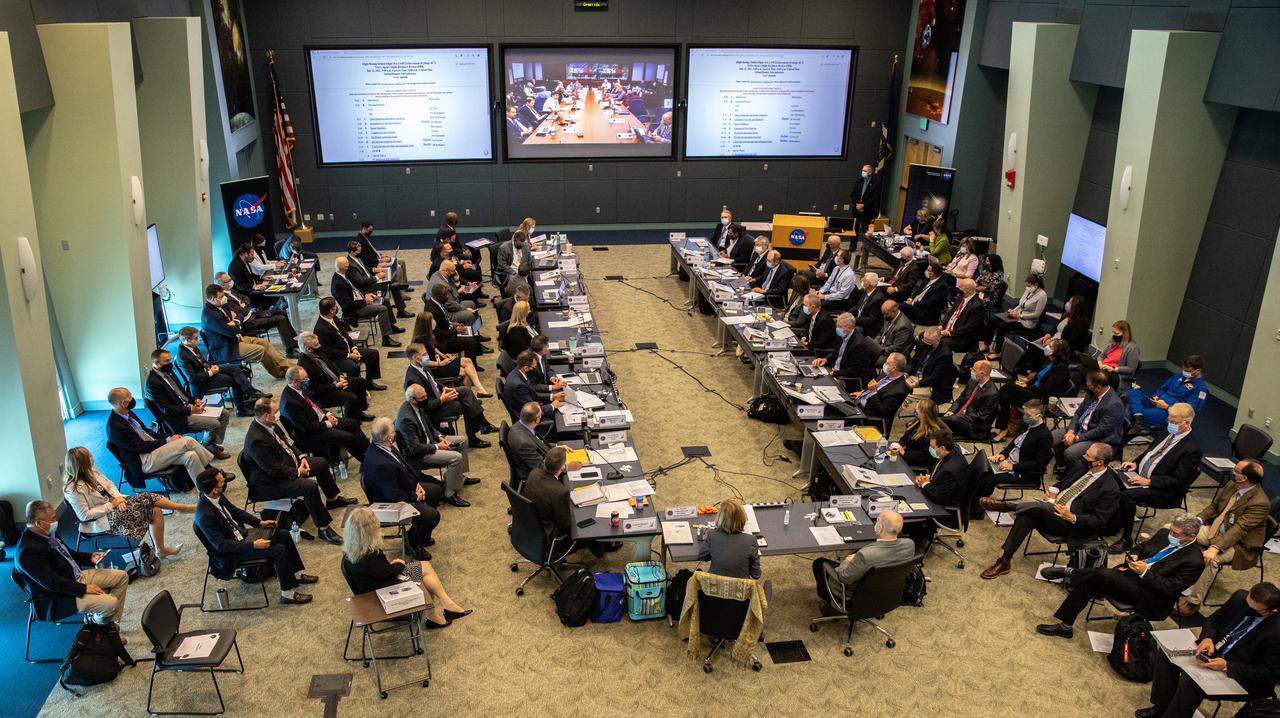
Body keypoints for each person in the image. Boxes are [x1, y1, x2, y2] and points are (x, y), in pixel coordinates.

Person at [1035, 514, 1206, 639]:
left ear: (1191, 536)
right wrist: (1134, 555)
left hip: (1149, 594)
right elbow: (1139, 548)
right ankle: (1065, 626)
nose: (1171, 536)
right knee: (1091, 581)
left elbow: (1171, 589)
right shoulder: (1164, 534)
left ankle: (1069, 572)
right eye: (1172, 531)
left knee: (1102, 574)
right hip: (1129, 575)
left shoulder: (1194, 560)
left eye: (1176, 535)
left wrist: (1144, 573)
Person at [979, 442, 1121, 579]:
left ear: (1099, 462)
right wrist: (1055, 491)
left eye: (1088, 455)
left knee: (1040, 508)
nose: (1084, 455)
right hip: (1052, 509)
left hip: (1072, 525)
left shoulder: (1110, 489)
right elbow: (1064, 483)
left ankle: (1008, 507)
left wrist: (1072, 517)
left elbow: (1099, 521)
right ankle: (1005, 561)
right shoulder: (1082, 466)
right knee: (1027, 515)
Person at [1137, 582, 1280, 718]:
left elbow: (1269, 674)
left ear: (1272, 610)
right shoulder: (1241, 597)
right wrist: (1208, 638)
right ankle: (1162, 707)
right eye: (1247, 603)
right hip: (1214, 653)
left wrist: (1227, 666)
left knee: (1190, 681)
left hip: (1241, 675)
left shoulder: (1276, 632)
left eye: (1253, 609)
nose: (1247, 608)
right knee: (1167, 653)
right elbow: (1213, 620)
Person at [194, 468, 317, 604]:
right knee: (278, 550)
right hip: (233, 552)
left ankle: (296, 574)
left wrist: (259, 522)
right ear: (214, 490)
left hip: (241, 536)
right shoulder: (205, 515)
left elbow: (236, 512)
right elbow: (221, 546)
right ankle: (287, 594)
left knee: (283, 534)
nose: (224, 483)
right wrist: (253, 544)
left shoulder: (216, 496)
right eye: (222, 483)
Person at [241, 398, 351, 545]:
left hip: (289, 463)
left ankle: (332, 499)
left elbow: (288, 442)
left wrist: (302, 456)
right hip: (270, 482)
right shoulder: (256, 440)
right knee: (309, 487)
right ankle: (323, 528)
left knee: (321, 463)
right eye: (275, 412)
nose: (279, 413)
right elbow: (273, 469)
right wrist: (298, 472)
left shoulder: (270, 424)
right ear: (266, 416)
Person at [341, 507, 470, 628]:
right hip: (379, 592)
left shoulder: (355, 549)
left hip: (377, 581)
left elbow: (379, 571)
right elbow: (384, 572)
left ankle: (444, 608)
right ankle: (439, 612)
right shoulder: (369, 555)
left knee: (425, 566)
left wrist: (393, 565)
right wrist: (398, 564)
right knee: (423, 577)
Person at [1177, 460, 1271, 617]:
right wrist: (1197, 521)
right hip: (1215, 531)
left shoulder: (1260, 503)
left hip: (1238, 544)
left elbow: (1239, 529)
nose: (1233, 472)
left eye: (1236, 471)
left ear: (1244, 478)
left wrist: (1214, 548)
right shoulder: (1232, 485)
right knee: (1176, 529)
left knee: (1211, 561)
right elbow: (1214, 507)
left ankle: (1192, 603)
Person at [63, 447, 194, 559]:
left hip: (116, 503)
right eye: (89, 456)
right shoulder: (73, 489)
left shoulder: (91, 469)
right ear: (81, 464)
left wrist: (118, 498)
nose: (92, 457)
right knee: (147, 499)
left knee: (155, 510)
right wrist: (112, 505)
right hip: (101, 518)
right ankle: (182, 508)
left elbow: (109, 484)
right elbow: (84, 515)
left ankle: (160, 549)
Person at [16, 500, 129, 625]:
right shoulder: (28, 552)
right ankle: (100, 626)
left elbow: (67, 554)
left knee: (122, 577)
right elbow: (52, 583)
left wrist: (89, 558)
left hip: (74, 577)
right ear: (38, 523)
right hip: (60, 595)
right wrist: (83, 588)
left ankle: (105, 627)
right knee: (111, 603)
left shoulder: (46, 532)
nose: (56, 521)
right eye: (53, 519)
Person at [1111, 403, 1204, 552]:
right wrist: (1136, 463)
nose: (1170, 424)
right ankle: (1111, 522)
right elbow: (1150, 452)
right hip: (1141, 476)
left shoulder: (1192, 450)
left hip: (1162, 489)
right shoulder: (1166, 432)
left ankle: (1126, 539)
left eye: (1174, 422)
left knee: (1128, 496)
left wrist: (1149, 481)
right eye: (1169, 420)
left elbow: (1178, 481)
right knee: (1112, 476)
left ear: (1186, 423)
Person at [361, 418, 445, 556]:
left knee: (436, 491)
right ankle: (413, 544)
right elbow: (392, 495)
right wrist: (415, 496)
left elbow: (403, 466)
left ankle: (418, 535)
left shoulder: (382, 445)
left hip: (401, 486)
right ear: (388, 437)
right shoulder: (380, 464)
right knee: (432, 516)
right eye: (393, 431)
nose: (395, 433)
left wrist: (416, 484)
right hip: (389, 503)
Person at [105, 387, 220, 482]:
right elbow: (140, 448)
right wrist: (167, 441)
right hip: (143, 460)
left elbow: (148, 432)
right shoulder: (115, 427)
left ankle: (206, 487)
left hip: (152, 449)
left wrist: (168, 438)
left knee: (190, 456)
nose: (133, 399)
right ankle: (214, 473)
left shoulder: (127, 413)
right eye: (130, 397)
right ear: (123, 403)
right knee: (188, 441)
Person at [523, 447, 620, 557]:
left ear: (545, 460)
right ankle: (601, 548)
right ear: (562, 465)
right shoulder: (559, 492)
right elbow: (565, 524)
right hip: (553, 537)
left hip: (534, 525)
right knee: (589, 517)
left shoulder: (534, 473)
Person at [813, 510, 913, 608]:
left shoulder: (866, 555)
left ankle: (832, 606)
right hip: (887, 591)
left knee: (819, 563)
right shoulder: (909, 544)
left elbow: (844, 578)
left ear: (880, 528)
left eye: (877, 522)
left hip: (856, 596)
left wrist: (848, 561)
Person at [405, 343, 496, 448]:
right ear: (416, 358)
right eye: (425, 354)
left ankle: (484, 424)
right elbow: (423, 406)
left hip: (440, 395)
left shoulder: (421, 366)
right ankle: (474, 437)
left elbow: (433, 381)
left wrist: (444, 388)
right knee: (468, 405)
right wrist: (442, 399)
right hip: (435, 409)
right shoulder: (412, 379)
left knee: (466, 391)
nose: (428, 356)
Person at [396, 387, 474, 507]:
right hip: (419, 455)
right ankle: (449, 494)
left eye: (426, 396)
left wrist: (439, 436)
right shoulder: (406, 419)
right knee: (456, 457)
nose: (426, 399)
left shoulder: (417, 406)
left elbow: (429, 427)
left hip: (430, 441)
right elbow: (415, 448)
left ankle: (459, 477)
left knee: (462, 440)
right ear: (413, 400)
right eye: (423, 398)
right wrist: (437, 446)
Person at [144, 348, 231, 456]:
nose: (170, 363)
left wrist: (194, 400)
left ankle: (210, 445)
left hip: (186, 406)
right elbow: (166, 409)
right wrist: (190, 410)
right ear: (156, 363)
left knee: (225, 414)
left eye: (170, 360)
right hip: (178, 417)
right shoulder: (152, 383)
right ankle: (209, 447)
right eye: (166, 361)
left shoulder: (167, 371)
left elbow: (181, 391)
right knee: (214, 424)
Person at [280, 366, 370, 462]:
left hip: (320, 419)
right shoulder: (289, 404)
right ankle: (366, 461)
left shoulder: (299, 387)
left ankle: (369, 451)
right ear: (295, 382)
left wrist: (327, 414)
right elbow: (307, 427)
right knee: (348, 437)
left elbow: (314, 403)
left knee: (352, 424)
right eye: (305, 379)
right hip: (310, 434)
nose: (308, 380)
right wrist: (328, 423)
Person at [973, 400, 1055, 504]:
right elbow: (1014, 443)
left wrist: (1012, 467)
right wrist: (1003, 454)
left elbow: (1040, 464)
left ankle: (977, 508)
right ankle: (973, 501)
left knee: (986, 479)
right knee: (980, 468)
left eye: (1028, 414)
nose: (1025, 416)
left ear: (1039, 416)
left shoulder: (1044, 436)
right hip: (1008, 462)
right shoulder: (1027, 425)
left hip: (1024, 473)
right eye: (1024, 413)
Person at [202, 283, 292, 377]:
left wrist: (234, 322)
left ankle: (290, 367)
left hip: (236, 339)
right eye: (221, 296)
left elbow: (240, 313)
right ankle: (279, 373)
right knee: (261, 350)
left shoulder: (222, 305)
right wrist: (236, 323)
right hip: (227, 348)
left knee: (265, 343)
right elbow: (231, 331)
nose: (224, 297)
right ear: (212, 299)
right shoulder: (210, 316)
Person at [992, 339, 1073, 440]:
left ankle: (988, 403)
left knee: (1009, 386)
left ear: (1057, 352)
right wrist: (1025, 384)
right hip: (1033, 392)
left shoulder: (1062, 368)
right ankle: (1003, 430)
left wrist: (1025, 387)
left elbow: (1046, 389)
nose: (1047, 347)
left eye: (1051, 346)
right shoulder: (1049, 362)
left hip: (1042, 399)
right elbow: (1036, 378)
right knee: (1005, 397)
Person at [176, 326, 263, 417]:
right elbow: (192, 378)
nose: (199, 340)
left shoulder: (191, 347)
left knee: (235, 368)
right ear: (187, 340)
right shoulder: (182, 355)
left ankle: (251, 392)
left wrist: (211, 366)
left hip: (208, 371)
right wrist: (211, 372)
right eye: (196, 338)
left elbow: (203, 361)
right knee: (236, 381)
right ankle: (241, 410)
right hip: (202, 382)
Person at [1053, 370, 1126, 469]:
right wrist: (1071, 431)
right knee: (1050, 437)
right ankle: (1063, 465)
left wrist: (1076, 438)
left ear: (1098, 387)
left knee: (1070, 453)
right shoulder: (1091, 393)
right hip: (1081, 428)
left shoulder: (1114, 404)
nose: (1087, 387)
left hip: (1098, 438)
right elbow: (1078, 413)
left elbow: (1101, 430)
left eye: (1090, 385)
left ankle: (1078, 473)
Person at [215, 271, 300, 356]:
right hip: (247, 323)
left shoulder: (231, 291)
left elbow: (246, 298)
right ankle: (290, 350)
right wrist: (244, 306)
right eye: (228, 280)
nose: (231, 281)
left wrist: (244, 305)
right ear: (222, 284)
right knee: (281, 319)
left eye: (230, 279)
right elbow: (242, 312)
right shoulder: (224, 299)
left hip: (252, 314)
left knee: (281, 312)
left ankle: (294, 342)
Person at [411, 312, 491, 397]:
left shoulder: (427, 336)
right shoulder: (419, 342)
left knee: (468, 369)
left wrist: (443, 355)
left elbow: (433, 348)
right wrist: (440, 363)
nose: (434, 321)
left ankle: (470, 395)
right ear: (426, 324)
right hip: (435, 369)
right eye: (432, 320)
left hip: (439, 362)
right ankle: (476, 392)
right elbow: (424, 362)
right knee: (468, 365)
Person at [297, 331, 372, 421]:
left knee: (360, 382)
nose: (320, 345)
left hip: (335, 381)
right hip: (324, 394)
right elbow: (315, 390)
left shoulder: (316, 353)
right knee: (351, 399)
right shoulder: (304, 366)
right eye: (317, 345)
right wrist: (335, 386)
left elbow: (332, 365)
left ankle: (358, 412)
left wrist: (340, 375)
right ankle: (351, 421)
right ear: (309, 349)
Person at [331, 256, 401, 347]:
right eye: (346, 266)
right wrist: (364, 301)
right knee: (383, 309)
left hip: (360, 301)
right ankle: (386, 339)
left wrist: (365, 295)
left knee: (385, 301)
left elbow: (354, 290)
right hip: (356, 310)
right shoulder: (338, 284)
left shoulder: (342, 275)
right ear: (341, 268)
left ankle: (391, 326)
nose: (348, 268)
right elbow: (348, 305)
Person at [313, 297, 385, 386]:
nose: (336, 308)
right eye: (335, 306)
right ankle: (354, 388)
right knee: (353, 367)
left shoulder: (333, 318)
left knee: (373, 354)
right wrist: (349, 355)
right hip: (337, 358)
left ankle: (369, 383)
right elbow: (329, 352)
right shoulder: (320, 329)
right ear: (331, 310)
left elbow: (345, 334)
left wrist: (353, 348)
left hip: (348, 349)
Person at [1127, 355, 1209, 430]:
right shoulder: (1179, 376)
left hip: (1168, 413)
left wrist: (1167, 407)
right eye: (1184, 369)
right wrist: (1156, 396)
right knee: (1133, 392)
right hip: (1156, 403)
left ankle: (1138, 417)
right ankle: (1138, 417)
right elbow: (1163, 388)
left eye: (1188, 371)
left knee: (1131, 414)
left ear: (1198, 370)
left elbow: (1190, 411)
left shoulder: (1200, 389)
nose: (1185, 372)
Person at [697, 498, 762, 580]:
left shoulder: (712, 535)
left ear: (719, 518)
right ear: (742, 518)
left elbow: (702, 557)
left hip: (714, 590)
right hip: (741, 591)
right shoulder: (751, 540)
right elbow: (756, 575)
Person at [345, 241, 410, 318]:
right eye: (358, 250)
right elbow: (361, 281)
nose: (360, 251)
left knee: (389, 279)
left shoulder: (356, 258)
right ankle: (401, 309)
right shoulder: (350, 264)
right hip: (367, 287)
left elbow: (365, 269)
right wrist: (377, 277)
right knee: (392, 285)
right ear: (353, 251)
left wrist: (375, 270)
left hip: (371, 280)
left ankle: (398, 289)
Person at [810, 312, 875, 389]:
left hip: (846, 378)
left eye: (839, 326)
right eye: (837, 325)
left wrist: (833, 373)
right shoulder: (843, 335)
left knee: (815, 384)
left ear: (848, 327)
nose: (837, 328)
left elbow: (853, 371)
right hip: (835, 370)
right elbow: (836, 353)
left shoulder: (858, 345)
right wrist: (825, 359)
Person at [941, 360, 1000, 439]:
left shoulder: (992, 394)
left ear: (982, 374)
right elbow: (960, 399)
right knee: (939, 417)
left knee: (948, 420)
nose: (971, 371)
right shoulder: (972, 381)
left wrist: (959, 417)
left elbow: (980, 416)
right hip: (961, 416)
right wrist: (951, 411)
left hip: (975, 427)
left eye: (974, 370)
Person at [914, 429, 971, 507]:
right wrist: (927, 479)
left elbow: (937, 497)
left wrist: (924, 484)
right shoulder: (953, 451)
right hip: (942, 488)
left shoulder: (949, 471)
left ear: (943, 448)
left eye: (932, 447)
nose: (930, 449)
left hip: (946, 502)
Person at [989, 273, 1047, 351]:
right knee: (993, 319)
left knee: (1001, 327)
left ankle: (997, 351)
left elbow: (1037, 315)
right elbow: (1021, 304)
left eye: (1029, 285)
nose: (1027, 287)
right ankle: (986, 344)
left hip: (1027, 322)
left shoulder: (1042, 296)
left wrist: (1020, 316)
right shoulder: (1029, 290)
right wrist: (1014, 310)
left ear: (1036, 284)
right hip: (1017, 316)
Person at [852, 353, 910, 430]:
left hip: (867, 416)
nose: (884, 364)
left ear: (894, 368)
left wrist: (873, 392)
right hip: (859, 401)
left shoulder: (899, 390)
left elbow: (882, 411)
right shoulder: (887, 374)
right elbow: (873, 385)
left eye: (887, 363)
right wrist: (862, 392)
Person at [425, 283, 482, 360]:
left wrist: (452, 324)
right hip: (443, 342)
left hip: (448, 331)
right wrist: (455, 330)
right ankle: (471, 366)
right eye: (445, 295)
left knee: (471, 332)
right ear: (438, 296)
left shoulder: (436, 303)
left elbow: (443, 322)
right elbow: (437, 334)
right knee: (471, 342)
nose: (447, 297)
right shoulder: (433, 311)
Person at [504, 350, 565, 418]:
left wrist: (553, 396)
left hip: (532, 404)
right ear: (526, 368)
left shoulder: (518, 372)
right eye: (533, 368)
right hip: (528, 417)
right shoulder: (518, 385)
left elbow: (532, 393)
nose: (535, 369)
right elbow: (531, 411)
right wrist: (552, 406)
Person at [507, 402, 558, 483]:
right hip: (535, 475)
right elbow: (542, 468)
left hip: (543, 457)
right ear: (537, 419)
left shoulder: (522, 425)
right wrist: (565, 467)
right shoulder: (524, 444)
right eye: (540, 416)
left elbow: (539, 443)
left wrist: (557, 447)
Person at [906, 327, 958, 405]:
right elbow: (913, 361)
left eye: (929, 342)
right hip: (915, 376)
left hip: (931, 386)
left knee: (905, 397)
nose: (925, 343)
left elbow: (934, 378)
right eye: (924, 340)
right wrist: (906, 374)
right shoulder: (923, 343)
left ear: (938, 340)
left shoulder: (945, 355)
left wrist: (917, 384)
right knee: (893, 386)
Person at [939, 278, 986, 353]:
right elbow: (950, 313)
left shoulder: (978, 306)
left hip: (963, 338)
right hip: (948, 329)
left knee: (940, 342)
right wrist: (941, 325)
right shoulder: (961, 298)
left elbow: (969, 328)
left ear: (968, 290)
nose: (958, 289)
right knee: (925, 335)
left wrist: (950, 333)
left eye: (961, 288)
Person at [427, 259, 479, 326]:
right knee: (469, 315)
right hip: (446, 312)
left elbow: (454, 295)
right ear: (446, 271)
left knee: (471, 304)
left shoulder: (439, 274)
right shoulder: (442, 284)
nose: (455, 273)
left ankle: (476, 330)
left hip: (450, 303)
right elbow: (450, 305)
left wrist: (457, 281)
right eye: (453, 271)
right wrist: (465, 309)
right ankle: (471, 334)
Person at [898, 259, 948, 327]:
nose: (926, 272)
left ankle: (902, 327)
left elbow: (929, 303)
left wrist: (913, 303)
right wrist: (911, 298)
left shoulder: (941, 287)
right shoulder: (928, 279)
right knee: (899, 301)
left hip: (926, 312)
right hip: (917, 303)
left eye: (928, 270)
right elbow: (918, 290)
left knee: (899, 306)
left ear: (933, 273)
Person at [897, 399, 945, 468]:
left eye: (917, 410)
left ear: (924, 414)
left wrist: (905, 453)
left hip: (915, 463)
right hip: (905, 453)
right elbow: (905, 436)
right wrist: (900, 445)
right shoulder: (918, 422)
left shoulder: (930, 433)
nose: (915, 411)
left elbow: (925, 456)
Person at [1099, 319, 1141, 389]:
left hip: (1116, 374)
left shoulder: (1132, 348)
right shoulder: (1113, 343)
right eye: (1113, 333)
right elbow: (1101, 355)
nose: (1114, 335)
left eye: (1116, 334)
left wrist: (1113, 369)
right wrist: (1100, 364)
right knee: (1079, 370)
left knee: (1096, 378)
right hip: (1104, 368)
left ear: (1125, 334)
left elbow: (1131, 369)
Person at [851, 164, 883, 233]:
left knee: (865, 230)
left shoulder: (876, 182)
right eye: (862, 170)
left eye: (865, 171)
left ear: (870, 172)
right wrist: (857, 204)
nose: (863, 172)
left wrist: (863, 205)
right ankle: (853, 244)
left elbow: (874, 197)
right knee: (854, 229)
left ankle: (864, 243)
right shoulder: (859, 180)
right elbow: (853, 194)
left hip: (868, 210)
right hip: (856, 209)